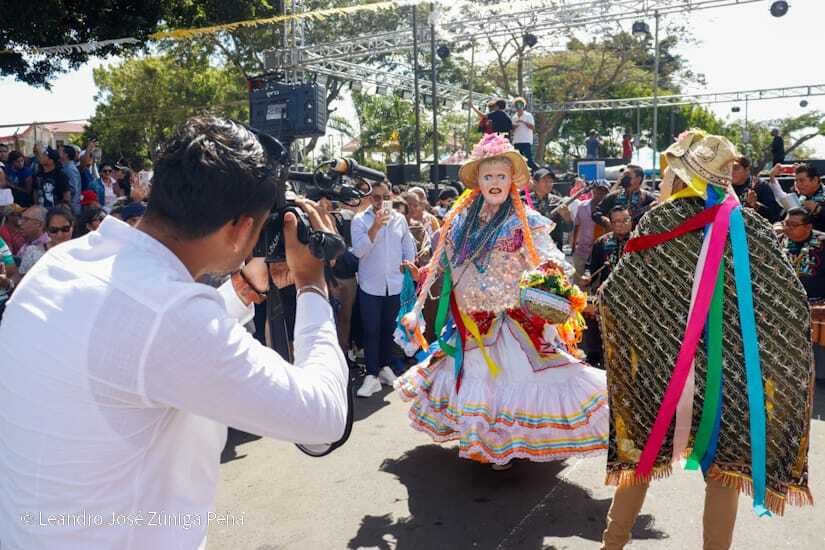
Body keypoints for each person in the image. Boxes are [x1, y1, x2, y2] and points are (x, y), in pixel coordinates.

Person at [0, 117, 349, 549]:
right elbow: (323, 418)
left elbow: (141, 349)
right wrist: (311, 283)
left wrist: (243, 288)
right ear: (240, 229)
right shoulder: (168, 317)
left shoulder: (64, 263)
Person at [599, 130, 813, 549]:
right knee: (723, 475)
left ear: (681, 175)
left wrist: (648, 332)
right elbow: (790, 301)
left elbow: (618, 296)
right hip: (733, 377)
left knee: (643, 458)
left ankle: (612, 544)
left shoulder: (658, 220)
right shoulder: (749, 227)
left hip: (663, 372)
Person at [393, 132, 608, 469]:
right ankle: (483, 441)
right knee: (478, 380)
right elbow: (442, 259)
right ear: (477, 181)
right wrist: (421, 290)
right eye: (488, 176)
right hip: (472, 318)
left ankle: (504, 445)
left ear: (512, 181)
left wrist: (552, 271)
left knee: (516, 379)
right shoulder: (461, 221)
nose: (495, 182)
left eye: (501, 177)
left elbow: (547, 255)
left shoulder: (523, 220)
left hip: (513, 318)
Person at [350, 180, 417, 397]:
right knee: (371, 330)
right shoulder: (360, 220)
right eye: (377, 197)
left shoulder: (400, 220)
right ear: (370, 198)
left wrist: (409, 263)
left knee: (389, 329)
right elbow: (358, 251)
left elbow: (408, 246)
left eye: (385, 197)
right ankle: (371, 375)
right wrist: (376, 227)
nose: (381, 202)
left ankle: (385, 368)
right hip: (371, 284)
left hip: (395, 284)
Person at [778, 207, 825, 385]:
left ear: (808, 227)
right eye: (786, 224)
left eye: (793, 225)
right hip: (788, 304)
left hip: (817, 304)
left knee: (818, 356)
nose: (788, 228)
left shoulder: (823, 243)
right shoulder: (779, 241)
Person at [567, 179, 610, 285]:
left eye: (604, 192)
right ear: (593, 191)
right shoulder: (582, 207)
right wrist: (573, 248)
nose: (600, 194)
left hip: (600, 253)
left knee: (595, 283)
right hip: (581, 251)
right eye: (597, 190)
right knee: (578, 284)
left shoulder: (610, 209)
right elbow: (576, 226)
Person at [592, 164, 656, 229]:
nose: (623, 178)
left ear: (638, 179)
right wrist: (606, 221)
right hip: (616, 237)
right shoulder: (613, 196)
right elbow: (596, 213)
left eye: (627, 175)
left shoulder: (648, 198)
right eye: (623, 175)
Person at [731, 155, 782, 223]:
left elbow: (774, 215)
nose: (731, 172)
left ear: (747, 170)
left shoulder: (760, 186)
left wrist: (755, 205)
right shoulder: (724, 187)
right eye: (728, 168)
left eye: (735, 168)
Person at [14, 205, 48, 283]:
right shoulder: (28, 242)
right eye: (21, 218)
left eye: (26, 219)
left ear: (40, 225)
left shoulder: (46, 247)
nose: (19, 223)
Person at [790, 163, 825, 232]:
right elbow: (784, 219)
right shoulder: (799, 197)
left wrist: (819, 210)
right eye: (796, 181)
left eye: (801, 180)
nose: (798, 184)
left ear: (815, 180)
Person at [511, 96, 537, 170]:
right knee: (519, 161)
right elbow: (512, 130)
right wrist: (514, 127)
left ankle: (538, 172)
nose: (518, 107)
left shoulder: (528, 115)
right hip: (516, 141)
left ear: (523, 105)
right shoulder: (514, 117)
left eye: (520, 104)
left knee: (529, 160)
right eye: (517, 105)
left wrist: (523, 121)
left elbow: (532, 127)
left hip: (526, 141)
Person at [59, 145, 82, 215]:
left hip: (72, 208)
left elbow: (73, 188)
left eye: (60, 151)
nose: (57, 152)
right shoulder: (65, 167)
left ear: (66, 155)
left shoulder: (70, 169)